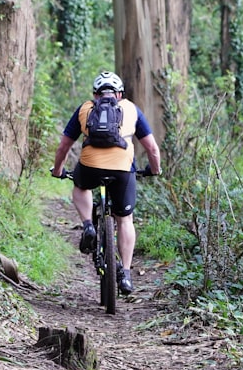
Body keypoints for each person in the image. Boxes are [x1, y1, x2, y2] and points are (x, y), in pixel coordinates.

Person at [51, 70, 162, 295]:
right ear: (119, 94)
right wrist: (155, 169)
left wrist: (58, 170)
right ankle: (127, 274)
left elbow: (64, 146)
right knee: (125, 220)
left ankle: (88, 226)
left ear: (95, 94)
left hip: (90, 166)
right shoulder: (131, 109)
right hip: (123, 170)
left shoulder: (85, 108)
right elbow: (152, 148)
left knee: (81, 186)